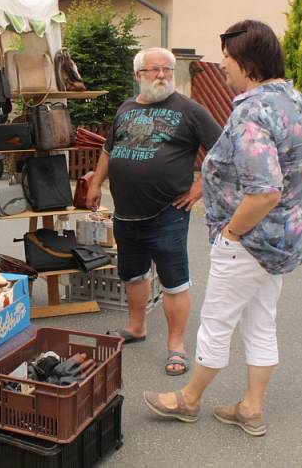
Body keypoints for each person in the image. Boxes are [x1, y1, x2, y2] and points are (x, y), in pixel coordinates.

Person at [142, 20, 302, 436]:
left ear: (248, 63)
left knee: (218, 320)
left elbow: (264, 191)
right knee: (261, 320)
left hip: (252, 239)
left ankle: (187, 400)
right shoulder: (295, 100)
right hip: (285, 238)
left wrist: (232, 234)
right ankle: (251, 408)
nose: (222, 66)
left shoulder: (253, 112)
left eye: (227, 58)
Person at [86, 47, 221, 376]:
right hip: (125, 212)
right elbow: (109, 150)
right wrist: (95, 183)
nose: (162, 75)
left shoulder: (190, 110)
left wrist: (200, 187)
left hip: (167, 212)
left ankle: (176, 346)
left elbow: (224, 150)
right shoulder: (126, 109)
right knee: (132, 273)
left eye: (167, 69)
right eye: (154, 70)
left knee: (174, 280)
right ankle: (136, 327)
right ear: (139, 76)